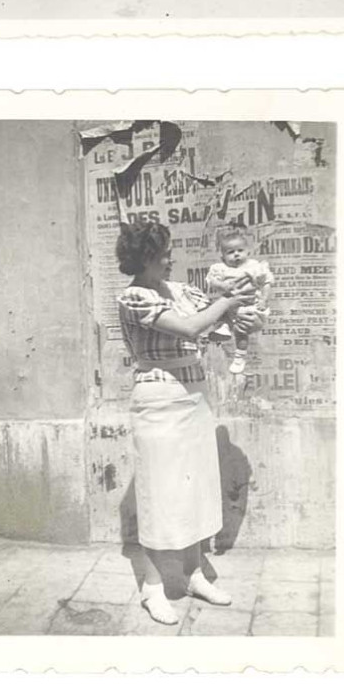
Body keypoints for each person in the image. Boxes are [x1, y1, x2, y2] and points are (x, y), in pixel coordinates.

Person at [116, 221, 257, 624]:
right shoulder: (133, 297)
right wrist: (226, 304)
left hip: (195, 395)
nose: (169, 258)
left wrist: (238, 321)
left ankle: (193, 574)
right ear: (143, 257)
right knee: (162, 493)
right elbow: (191, 326)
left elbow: (207, 332)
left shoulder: (181, 291)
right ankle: (154, 586)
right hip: (157, 398)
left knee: (197, 489)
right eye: (162, 253)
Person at [205, 227, 273, 374]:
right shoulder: (220, 268)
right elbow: (211, 281)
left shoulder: (254, 267)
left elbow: (266, 282)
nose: (236, 255)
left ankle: (239, 356)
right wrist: (221, 285)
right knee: (218, 311)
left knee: (241, 332)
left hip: (247, 306)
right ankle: (223, 328)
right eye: (230, 252)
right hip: (228, 304)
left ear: (247, 252)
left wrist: (264, 299)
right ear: (223, 256)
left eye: (240, 251)